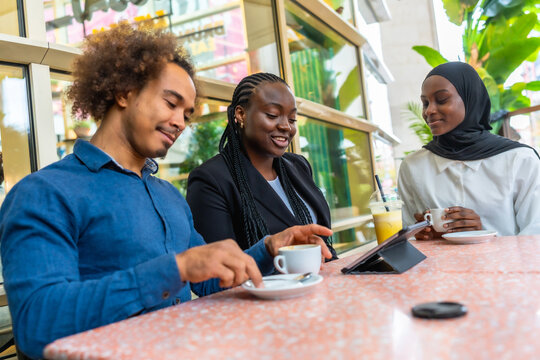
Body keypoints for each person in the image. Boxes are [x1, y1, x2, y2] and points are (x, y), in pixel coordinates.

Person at [0, 25, 332, 359]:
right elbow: (35, 325)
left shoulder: (168, 196)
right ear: (125, 92)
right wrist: (176, 269)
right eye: (171, 104)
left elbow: (207, 281)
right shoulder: (43, 194)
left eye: (186, 114)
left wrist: (269, 248)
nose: (180, 122)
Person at [186, 73, 337, 262]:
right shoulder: (211, 180)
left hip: (321, 284)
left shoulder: (298, 166)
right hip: (265, 290)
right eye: (272, 115)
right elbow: (218, 269)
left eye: (292, 119)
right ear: (240, 114)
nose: (285, 127)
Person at [398, 61, 540, 239]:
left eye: (441, 100)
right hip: (438, 267)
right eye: (425, 103)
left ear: (470, 98)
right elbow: (404, 240)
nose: (429, 111)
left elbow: (535, 240)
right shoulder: (412, 167)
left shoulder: (520, 160)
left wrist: (484, 236)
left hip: (505, 267)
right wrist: (421, 236)